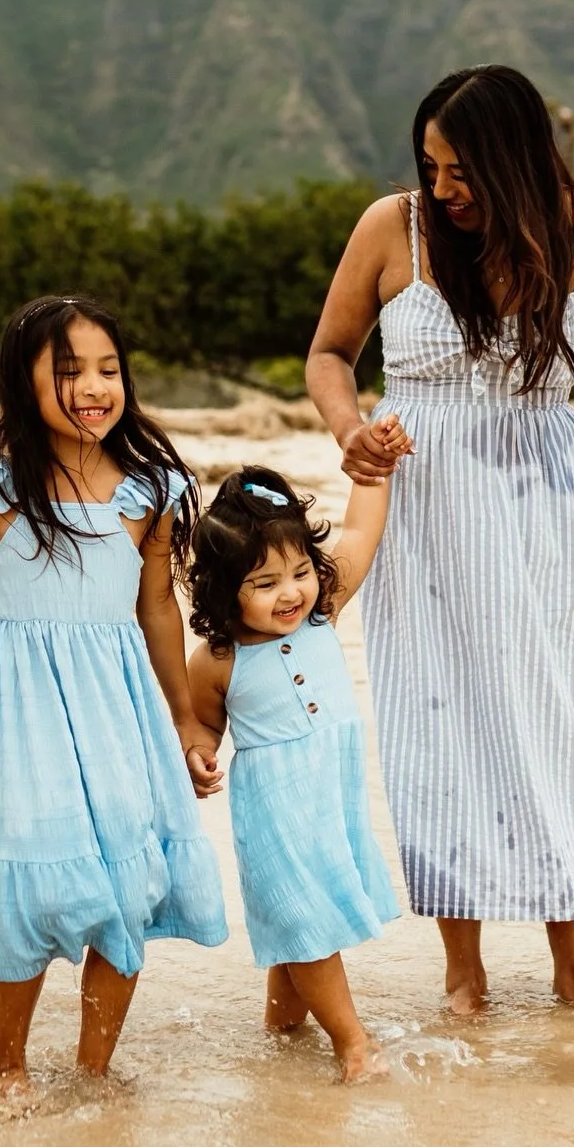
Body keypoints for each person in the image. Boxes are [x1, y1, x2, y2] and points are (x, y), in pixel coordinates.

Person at [306, 64, 574, 1017]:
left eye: (462, 172)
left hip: (543, 504)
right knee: (439, 721)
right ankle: (463, 971)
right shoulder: (390, 227)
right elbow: (328, 353)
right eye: (432, 166)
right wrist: (350, 427)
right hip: (425, 505)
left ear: (516, 162)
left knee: (562, 715)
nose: (442, 189)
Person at [0, 294, 228, 1088]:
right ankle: (6, 1063)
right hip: (24, 711)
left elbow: (158, 608)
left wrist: (185, 721)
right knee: (33, 879)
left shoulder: (149, 487)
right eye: (68, 372)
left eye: (108, 369)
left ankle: (95, 1073)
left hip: (122, 706)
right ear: (21, 383)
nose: (94, 387)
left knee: (130, 885)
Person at [186, 444, 407, 1082]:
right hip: (275, 808)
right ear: (226, 591)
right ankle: (354, 1044)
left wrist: (376, 471)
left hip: (328, 797)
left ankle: (283, 1032)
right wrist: (199, 755)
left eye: (299, 572)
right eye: (264, 584)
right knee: (302, 915)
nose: (290, 593)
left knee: (298, 918)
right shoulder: (219, 658)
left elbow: (362, 530)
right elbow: (201, 721)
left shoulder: (322, 613)